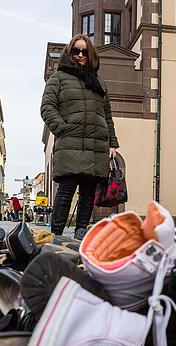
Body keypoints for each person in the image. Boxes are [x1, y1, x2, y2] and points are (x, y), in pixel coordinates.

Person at [41, 34, 119, 240]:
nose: (81, 55)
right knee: (66, 190)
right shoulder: (58, 78)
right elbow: (47, 107)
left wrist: (113, 142)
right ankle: (55, 233)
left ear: (90, 54)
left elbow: (107, 114)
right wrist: (63, 129)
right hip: (70, 142)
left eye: (85, 51)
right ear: (69, 53)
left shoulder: (99, 82)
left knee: (88, 192)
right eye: (76, 51)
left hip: (96, 144)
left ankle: (81, 231)